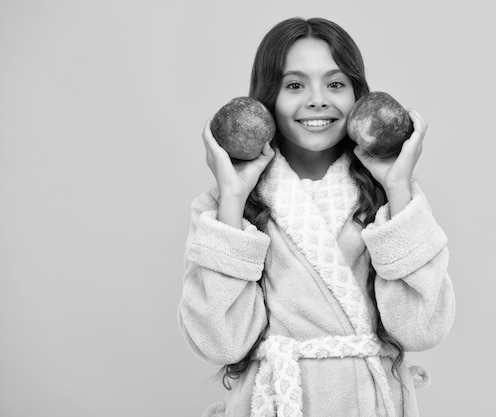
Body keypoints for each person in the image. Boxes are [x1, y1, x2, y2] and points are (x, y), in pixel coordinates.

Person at [178, 17, 455, 417]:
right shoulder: (222, 212)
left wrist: (398, 188)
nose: (317, 99)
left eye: (335, 84)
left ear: (358, 97)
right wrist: (234, 200)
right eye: (294, 85)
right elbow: (221, 343)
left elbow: (421, 328)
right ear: (266, 100)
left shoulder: (389, 204)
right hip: (277, 402)